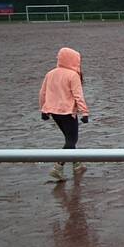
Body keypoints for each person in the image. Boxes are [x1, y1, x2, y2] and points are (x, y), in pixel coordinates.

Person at [39, 47, 90, 182]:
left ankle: (77, 163)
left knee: (69, 138)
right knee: (71, 140)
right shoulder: (73, 75)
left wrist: (43, 109)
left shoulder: (50, 73)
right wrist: (84, 112)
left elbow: (42, 93)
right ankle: (58, 166)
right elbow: (78, 95)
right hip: (68, 112)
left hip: (54, 113)